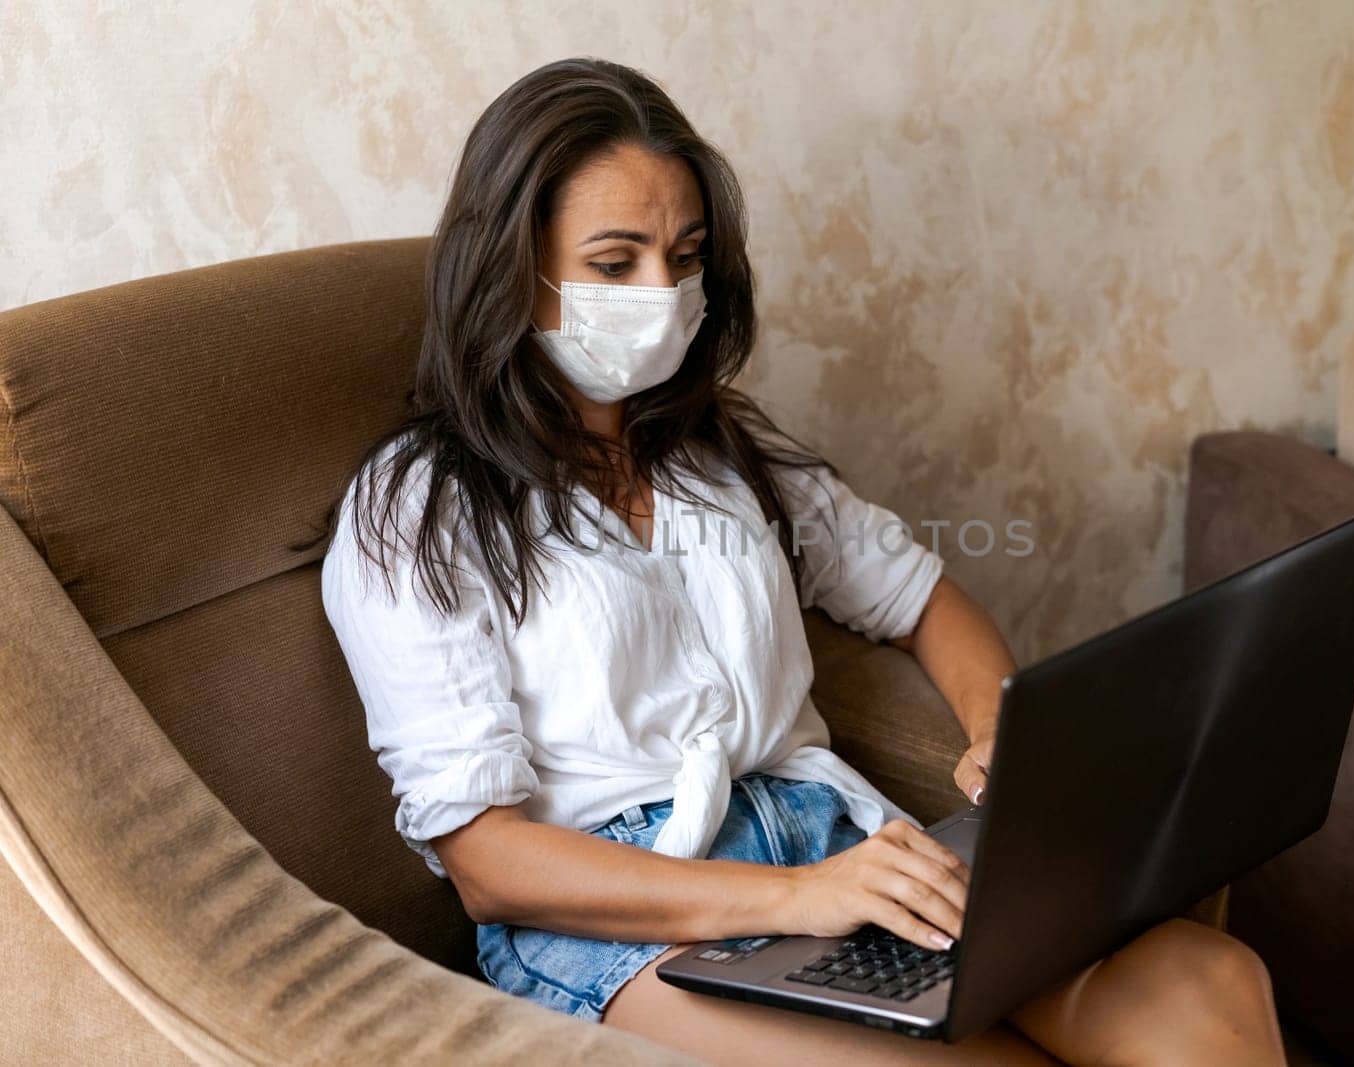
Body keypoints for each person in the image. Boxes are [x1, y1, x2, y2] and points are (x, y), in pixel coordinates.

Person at [317, 57, 1287, 1066]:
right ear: (511, 268)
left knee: (1212, 984)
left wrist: (1002, 731)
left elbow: (919, 595)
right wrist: (797, 896)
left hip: (831, 837)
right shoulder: (418, 510)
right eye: (615, 263)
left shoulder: (725, 452)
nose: (662, 295)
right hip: (625, 920)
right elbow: (488, 863)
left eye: (684, 256)